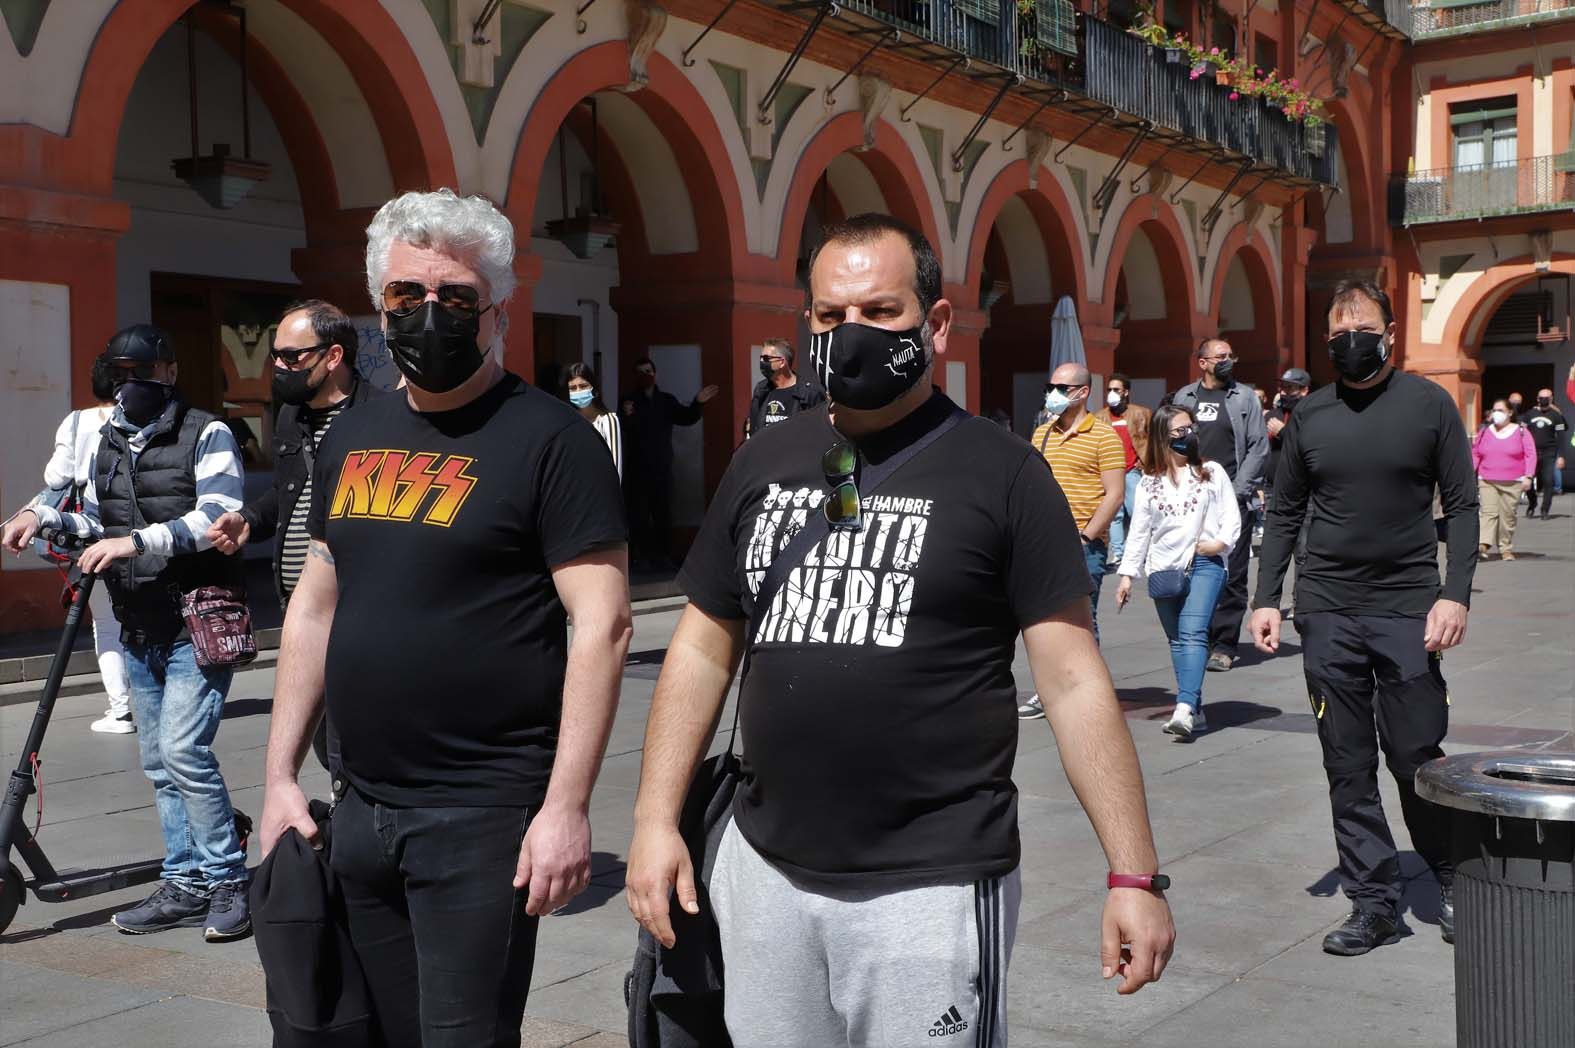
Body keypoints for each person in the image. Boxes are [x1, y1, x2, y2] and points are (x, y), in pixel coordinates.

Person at [625, 213, 1174, 1048]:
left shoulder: (1004, 472)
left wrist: (1133, 872)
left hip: (932, 886)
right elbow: (702, 645)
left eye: (880, 313)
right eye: (827, 317)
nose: (850, 337)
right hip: (764, 870)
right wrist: (654, 821)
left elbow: (1070, 680)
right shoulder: (763, 459)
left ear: (937, 324)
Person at [257, 189, 632, 1048]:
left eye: (455, 298)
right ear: (378, 308)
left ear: (497, 309)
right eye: (406, 297)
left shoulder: (550, 440)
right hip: (360, 804)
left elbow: (602, 625)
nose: (430, 316)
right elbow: (315, 606)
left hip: (483, 816)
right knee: (376, 1032)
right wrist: (279, 778)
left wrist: (566, 806)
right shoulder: (354, 435)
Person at [2, 324, 252, 942]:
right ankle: (184, 881)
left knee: (184, 753)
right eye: (119, 376)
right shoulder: (106, 440)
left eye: (140, 374)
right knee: (158, 762)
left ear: (168, 373)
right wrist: (45, 518)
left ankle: (227, 881)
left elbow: (217, 515)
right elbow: (97, 518)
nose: (128, 387)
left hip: (197, 614)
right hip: (139, 621)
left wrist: (134, 542)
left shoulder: (208, 432)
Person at [1250, 279, 1477, 956]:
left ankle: (1452, 883)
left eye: (1362, 325)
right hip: (1326, 609)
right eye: (1336, 331)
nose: (1349, 338)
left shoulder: (1428, 405)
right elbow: (1284, 509)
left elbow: (1462, 505)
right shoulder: (1309, 417)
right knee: (1345, 764)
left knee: (1414, 754)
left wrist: (1454, 593)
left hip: (1408, 606)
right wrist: (1266, 596)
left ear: (1388, 333)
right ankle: (1373, 903)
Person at [208, 300, 376, 607]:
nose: (280, 367)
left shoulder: (380, 416)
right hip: (295, 604)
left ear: (333, 356)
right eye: (276, 356)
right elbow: (287, 491)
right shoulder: (291, 416)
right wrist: (249, 519)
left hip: (354, 605)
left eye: (291, 357)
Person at [1115, 405, 1241, 740]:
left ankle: (1183, 708)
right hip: (1164, 568)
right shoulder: (1148, 483)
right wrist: (1128, 574)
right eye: (1180, 430)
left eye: (1191, 428)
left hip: (1205, 563)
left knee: (1193, 631)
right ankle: (1195, 707)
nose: (1190, 435)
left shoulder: (1211, 471)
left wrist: (1219, 545)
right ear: (1162, 436)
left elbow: (1231, 516)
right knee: (1177, 640)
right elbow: (1139, 531)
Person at [30, 355, 136, 734]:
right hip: (137, 530)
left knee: (105, 624)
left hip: (90, 532)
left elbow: (55, 475)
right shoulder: (139, 420)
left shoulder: (77, 422)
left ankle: (121, 709)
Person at [1019, 362, 1126, 720]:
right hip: (1044, 542)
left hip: (1083, 543)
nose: (1053, 393)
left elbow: (1114, 494)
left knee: (1082, 620)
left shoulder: (1104, 436)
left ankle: (1085, 691)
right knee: (1043, 620)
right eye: (1051, 386)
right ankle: (1048, 689)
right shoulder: (1042, 433)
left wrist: (1086, 536)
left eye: (1062, 388)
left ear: (1082, 393)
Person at [1172, 337, 1269, 672]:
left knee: (1232, 572)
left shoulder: (1243, 397)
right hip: (1189, 498)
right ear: (1202, 362)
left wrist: (1239, 490)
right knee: (1188, 566)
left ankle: (1224, 644)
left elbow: (1258, 447)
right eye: (1220, 356)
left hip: (1231, 499)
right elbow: (1169, 439)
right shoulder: (1184, 397)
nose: (1228, 361)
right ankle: (1195, 634)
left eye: (1231, 355)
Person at [620, 357, 719, 568]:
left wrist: (698, 402)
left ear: (655, 374)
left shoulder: (666, 400)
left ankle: (663, 556)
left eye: (648, 371)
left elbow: (685, 417)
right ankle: (641, 557)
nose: (645, 375)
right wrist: (626, 415)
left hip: (661, 467)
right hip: (637, 469)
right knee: (638, 515)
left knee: (662, 513)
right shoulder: (629, 401)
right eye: (640, 371)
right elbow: (624, 429)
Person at [1264, 368, 1311, 615]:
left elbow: (1311, 446)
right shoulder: (1272, 414)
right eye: (1283, 386)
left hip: (1304, 491)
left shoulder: (1311, 413)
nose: (1285, 391)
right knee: (1274, 549)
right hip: (1273, 488)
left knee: (1303, 550)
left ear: (1304, 390)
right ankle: (1268, 601)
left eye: (1291, 387)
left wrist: (1283, 432)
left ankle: (1300, 601)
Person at [1096, 372, 1151, 568]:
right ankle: (1119, 553)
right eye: (1109, 389)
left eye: (1116, 390)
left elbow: (1151, 440)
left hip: (1132, 472)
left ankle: (1136, 551)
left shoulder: (1141, 413)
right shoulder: (1100, 417)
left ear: (1125, 392)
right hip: (1111, 472)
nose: (1112, 393)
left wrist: (1144, 464)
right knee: (1115, 515)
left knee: (1138, 512)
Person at [1472, 399, 1535, 561]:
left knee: (1507, 516)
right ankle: (1483, 545)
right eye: (1494, 410)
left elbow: (1530, 454)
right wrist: (1470, 472)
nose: (1496, 413)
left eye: (1500, 410)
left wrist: (1528, 476)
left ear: (1510, 413)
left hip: (1513, 480)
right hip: (1487, 479)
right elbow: (1476, 453)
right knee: (1488, 513)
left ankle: (1505, 547)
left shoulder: (1521, 431)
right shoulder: (1485, 431)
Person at [746, 337, 825, 437]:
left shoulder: (809, 393)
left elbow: (818, 432)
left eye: (766, 359)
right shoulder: (761, 389)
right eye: (761, 358)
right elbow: (754, 428)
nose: (762, 362)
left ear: (782, 362)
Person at [565, 362, 623, 478]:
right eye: (572, 388)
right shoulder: (568, 421)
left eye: (583, 386)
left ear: (594, 388)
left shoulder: (608, 420)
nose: (578, 391)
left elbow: (615, 468)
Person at [1521, 388, 1566, 519]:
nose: (1544, 400)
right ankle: (1532, 502)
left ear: (1551, 399)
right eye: (1541, 397)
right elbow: (1521, 432)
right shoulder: (1529, 414)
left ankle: (1545, 509)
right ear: (1537, 399)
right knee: (1527, 481)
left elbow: (1561, 436)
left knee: (1548, 481)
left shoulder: (1556, 415)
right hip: (1531, 454)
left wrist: (1561, 456)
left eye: (1547, 397)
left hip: (1549, 453)